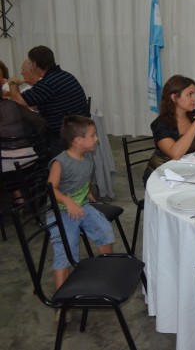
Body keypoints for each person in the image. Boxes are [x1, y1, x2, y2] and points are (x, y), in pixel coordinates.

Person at [47, 116, 115, 320]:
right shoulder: (60, 162)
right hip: (60, 210)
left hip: (82, 206)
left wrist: (88, 192)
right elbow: (51, 189)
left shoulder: (87, 157)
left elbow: (83, 179)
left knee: (105, 231)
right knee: (65, 250)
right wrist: (68, 201)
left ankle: (103, 275)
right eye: (93, 135)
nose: (96, 139)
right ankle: (62, 303)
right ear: (78, 140)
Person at [7, 46, 89, 157]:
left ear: (34, 64)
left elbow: (17, 101)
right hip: (79, 130)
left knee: (34, 137)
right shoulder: (65, 75)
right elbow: (55, 101)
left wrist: (12, 83)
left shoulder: (47, 83)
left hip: (65, 137)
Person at [143, 75, 195, 183]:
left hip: (189, 172)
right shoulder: (160, 124)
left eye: (194, 94)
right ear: (174, 97)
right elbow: (175, 154)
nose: (194, 98)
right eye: (190, 94)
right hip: (162, 175)